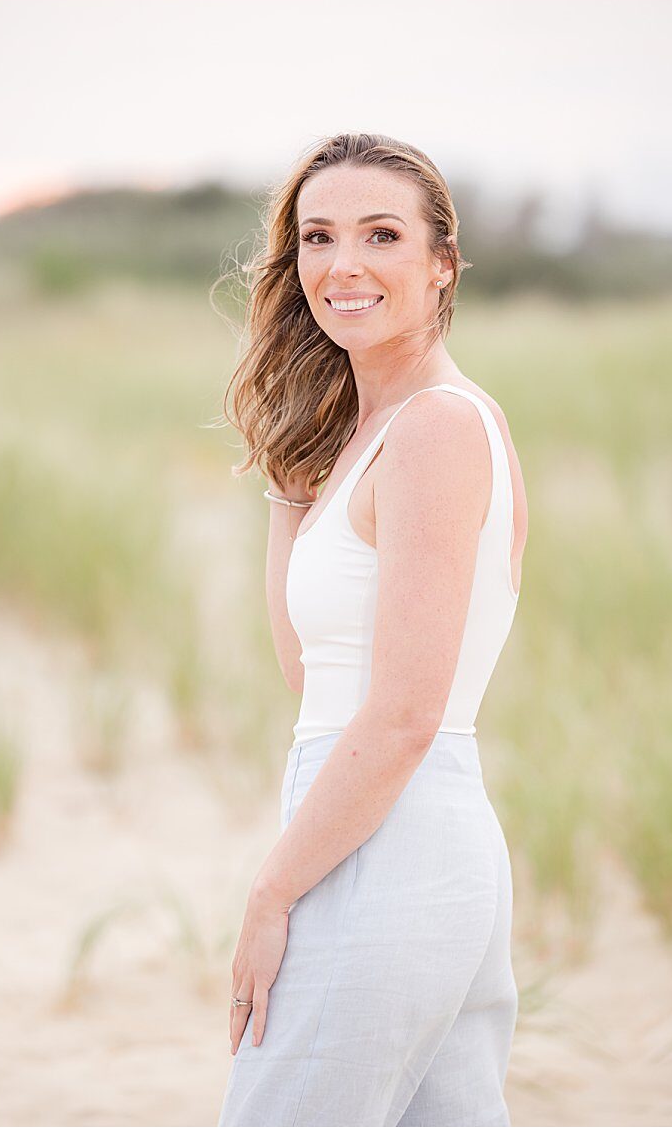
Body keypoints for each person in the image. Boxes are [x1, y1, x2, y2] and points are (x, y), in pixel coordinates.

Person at [218, 133, 526, 1127]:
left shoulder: (435, 425)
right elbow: (310, 672)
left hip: (389, 830)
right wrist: (287, 474)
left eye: (378, 234)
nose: (340, 264)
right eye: (316, 236)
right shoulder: (372, 431)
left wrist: (269, 892)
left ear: (441, 264)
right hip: (387, 820)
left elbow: (399, 716)